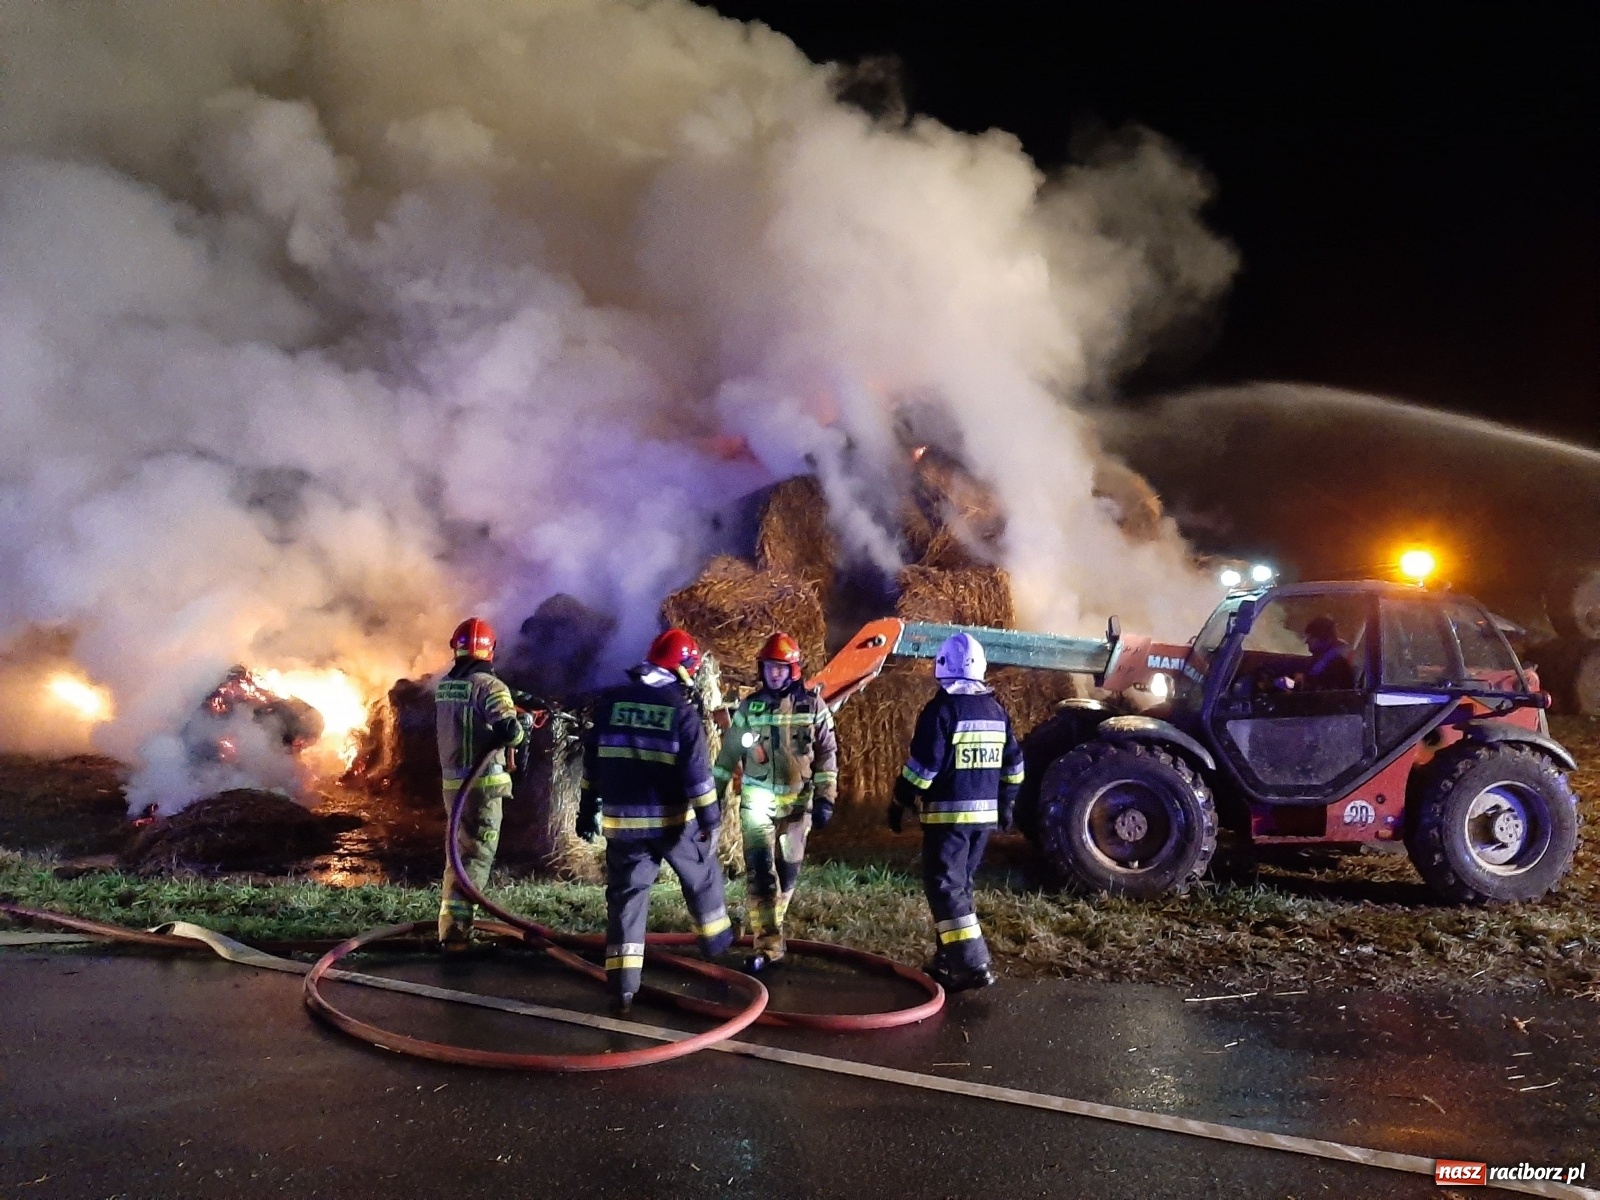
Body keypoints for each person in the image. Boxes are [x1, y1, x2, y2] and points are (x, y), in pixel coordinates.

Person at [576, 628, 734, 1014]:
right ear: (683, 669)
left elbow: (592, 764)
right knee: (702, 875)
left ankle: (623, 988)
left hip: (623, 825)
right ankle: (718, 950)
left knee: (627, 900)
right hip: (673, 822)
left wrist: (586, 808)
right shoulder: (681, 712)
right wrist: (711, 821)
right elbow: (698, 777)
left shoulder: (610, 704)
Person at [887, 632, 1023, 993]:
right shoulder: (996, 710)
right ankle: (947, 960)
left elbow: (923, 768)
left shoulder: (942, 710)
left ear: (942, 666)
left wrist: (901, 799)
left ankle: (973, 963)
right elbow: (1014, 765)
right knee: (960, 886)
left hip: (948, 820)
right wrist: (1007, 802)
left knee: (944, 886)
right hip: (983, 821)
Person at [713, 631, 839, 973]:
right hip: (757, 808)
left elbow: (827, 754)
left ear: (793, 670)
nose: (774, 674)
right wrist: (713, 797)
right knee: (761, 876)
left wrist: (826, 798)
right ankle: (767, 946)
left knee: (787, 874)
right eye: (769, 668)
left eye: (780, 668)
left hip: (798, 808)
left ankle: (767, 927)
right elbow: (727, 756)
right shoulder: (749, 707)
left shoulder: (813, 706)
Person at [435, 616, 526, 950]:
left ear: (455, 649)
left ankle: (450, 928)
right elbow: (509, 731)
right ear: (491, 650)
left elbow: (470, 711)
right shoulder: (490, 687)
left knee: (458, 855)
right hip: (482, 788)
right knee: (475, 857)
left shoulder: (445, 686)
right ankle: (457, 936)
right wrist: (521, 726)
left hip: (453, 787)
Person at [1276, 615, 1356, 692]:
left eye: (1312, 637)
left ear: (1326, 639)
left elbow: (1324, 692)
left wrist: (1301, 682)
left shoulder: (1338, 665)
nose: (1307, 641)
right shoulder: (1323, 658)